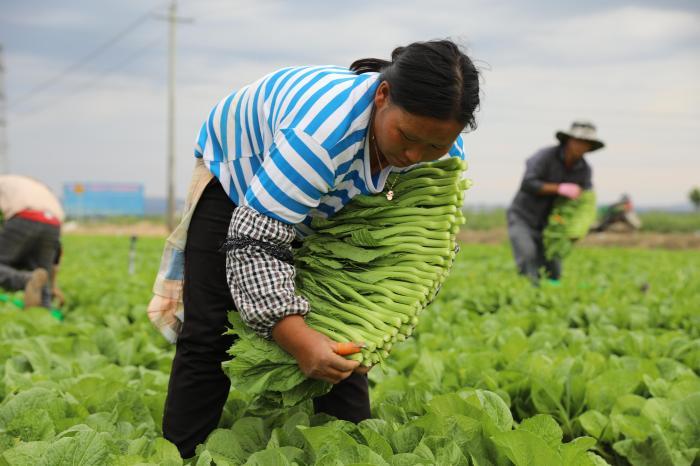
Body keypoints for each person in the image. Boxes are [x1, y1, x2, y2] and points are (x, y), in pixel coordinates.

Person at [147, 39, 480, 458]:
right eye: (406, 136)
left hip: (337, 194)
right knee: (208, 329)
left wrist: (366, 323)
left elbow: (413, 249)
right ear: (382, 96)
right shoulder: (320, 138)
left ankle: (348, 449)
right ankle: (181, 451)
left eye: (435, 145)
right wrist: (298, 338)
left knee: (344, 321)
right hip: (240, 174)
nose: (414, 155)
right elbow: (254, 243)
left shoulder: (437, 158)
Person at [507, 121, 605, 284]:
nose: (581, 147)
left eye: (586, 144)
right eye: (578, 141)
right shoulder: (545, 157)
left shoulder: (584, 170)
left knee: (553, 265)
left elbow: (585, 203)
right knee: (528, 255)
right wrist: (559, 188)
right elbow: (528, 183)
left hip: (552, 225)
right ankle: (528, 294)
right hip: (523, 217)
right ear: (568, 140)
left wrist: (576, 229)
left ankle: (550, 297)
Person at [0, 175, 65, 308]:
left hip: (24, 217)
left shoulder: (4, 182)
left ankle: (24, 279)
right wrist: (52, 286)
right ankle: (46, 316)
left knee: (8, 267)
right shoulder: (42, 189)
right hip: (54, 224)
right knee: (41, 274)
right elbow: (56, 254)